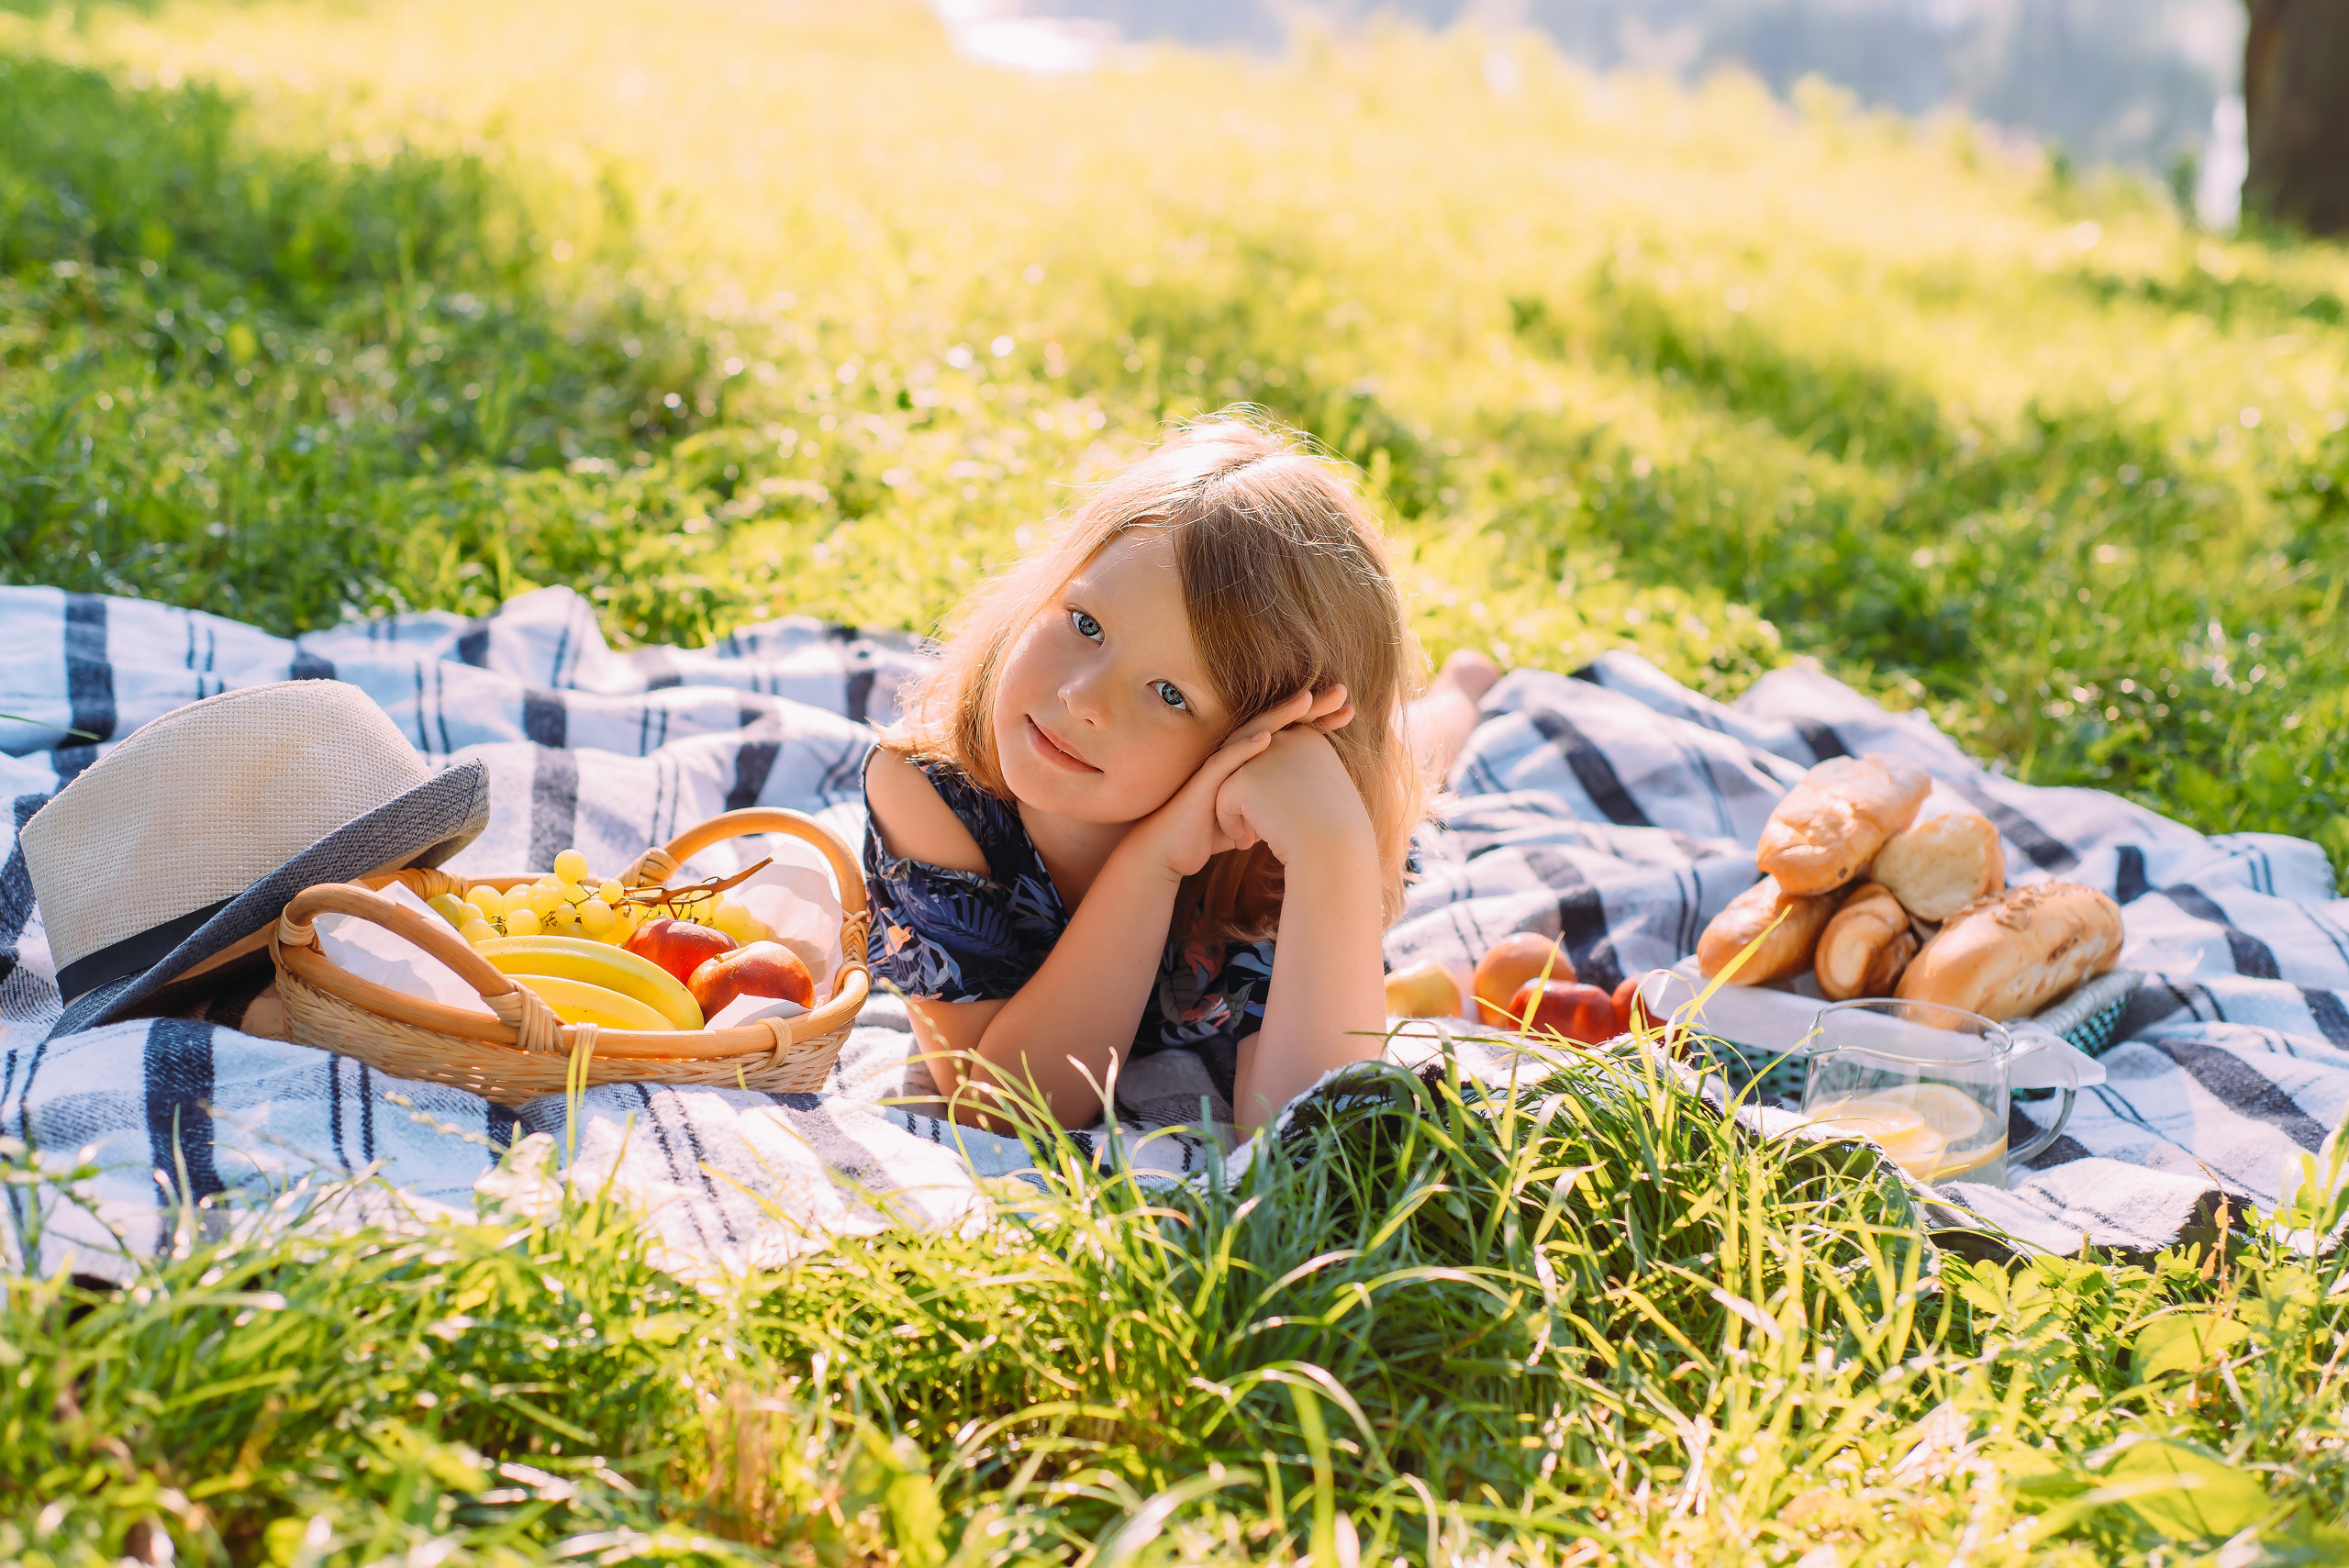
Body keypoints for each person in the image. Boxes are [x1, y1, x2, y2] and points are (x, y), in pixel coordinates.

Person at [862, 414, 1497, 1131]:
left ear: (1260, 741)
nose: (1080, 698)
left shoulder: (1266, 850)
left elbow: (1310, 1129)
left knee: (1416, 753)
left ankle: (1463, 691)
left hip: (1316, 789)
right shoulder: (928, 795)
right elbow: (1001, 1108)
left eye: (1171, 694)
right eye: (1085, 623)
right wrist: (1154, 859)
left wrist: (1335, 844)